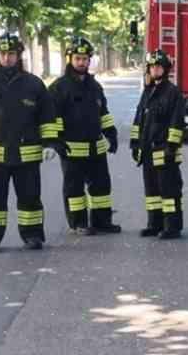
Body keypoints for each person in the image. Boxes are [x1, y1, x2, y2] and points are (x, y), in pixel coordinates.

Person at [0, 33, 59, 253]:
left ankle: (32, 235)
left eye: (11, 54)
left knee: (30, 198)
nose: (6, 58)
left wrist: (50, 143)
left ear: (19, 55)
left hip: (26, 155)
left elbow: (47, 116)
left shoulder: (34, 84)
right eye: (2, 54)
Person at [48, 37, 121, 235]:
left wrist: (111, 134)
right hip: (71, 149)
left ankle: (101, 221)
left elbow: (103, 113)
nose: (82, 62)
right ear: (70, 59)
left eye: (85, 59)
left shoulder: (94, 86)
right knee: (74, 190)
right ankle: (78, 223)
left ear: (90, 60)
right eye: (78, 58)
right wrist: (56, 142)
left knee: (101, 187)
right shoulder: (59, 88)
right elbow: (52, 117)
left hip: (95, 149)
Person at [130, 49, 185, 239]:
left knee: (169, 191)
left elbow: (177, 122)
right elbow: (139, 119)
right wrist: (135, 144)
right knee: (152, 192)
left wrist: (172, 146)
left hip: (164, 151)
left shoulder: (173, 93)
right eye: (152, 67)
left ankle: (172, 227)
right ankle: (154, 224)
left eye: (158, 67)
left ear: (166, 69)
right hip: (147, 152)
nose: (155, 70)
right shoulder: (147, 92)